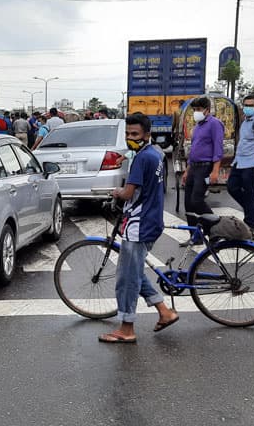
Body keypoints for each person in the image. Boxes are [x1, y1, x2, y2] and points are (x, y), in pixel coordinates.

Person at [99, 113, 179, 344]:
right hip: (151, 220)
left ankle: (126, 328)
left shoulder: (142, 158)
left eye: (135, 134)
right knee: (134, 270)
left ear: (147, 134)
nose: (130, 138)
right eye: (127, 134)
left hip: (139, 223)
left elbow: (128, 193)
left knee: (126, 278)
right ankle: (165, 312)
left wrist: (116, 192)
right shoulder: (156, 154)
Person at [227, 95, 254, 235]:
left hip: (252, 163)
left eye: (251, 105)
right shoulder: (245, 121)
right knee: (231, 187)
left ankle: (251, 225)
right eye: (246, 105)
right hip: (239, 162)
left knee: (250, 193)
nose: (248, 107)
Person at [182, 96, 225, 221]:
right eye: (194, 109)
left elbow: (218, 148)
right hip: (193, 167)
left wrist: (215, 171)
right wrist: (187, 170)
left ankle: (215, 226)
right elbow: (193, 150)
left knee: (197, 201)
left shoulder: (215, 124)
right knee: (188, 204)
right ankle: (194, 236)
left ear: (207, 109)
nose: (196, 112)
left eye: (199, 109)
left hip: (205, 168)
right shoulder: (197, 127)